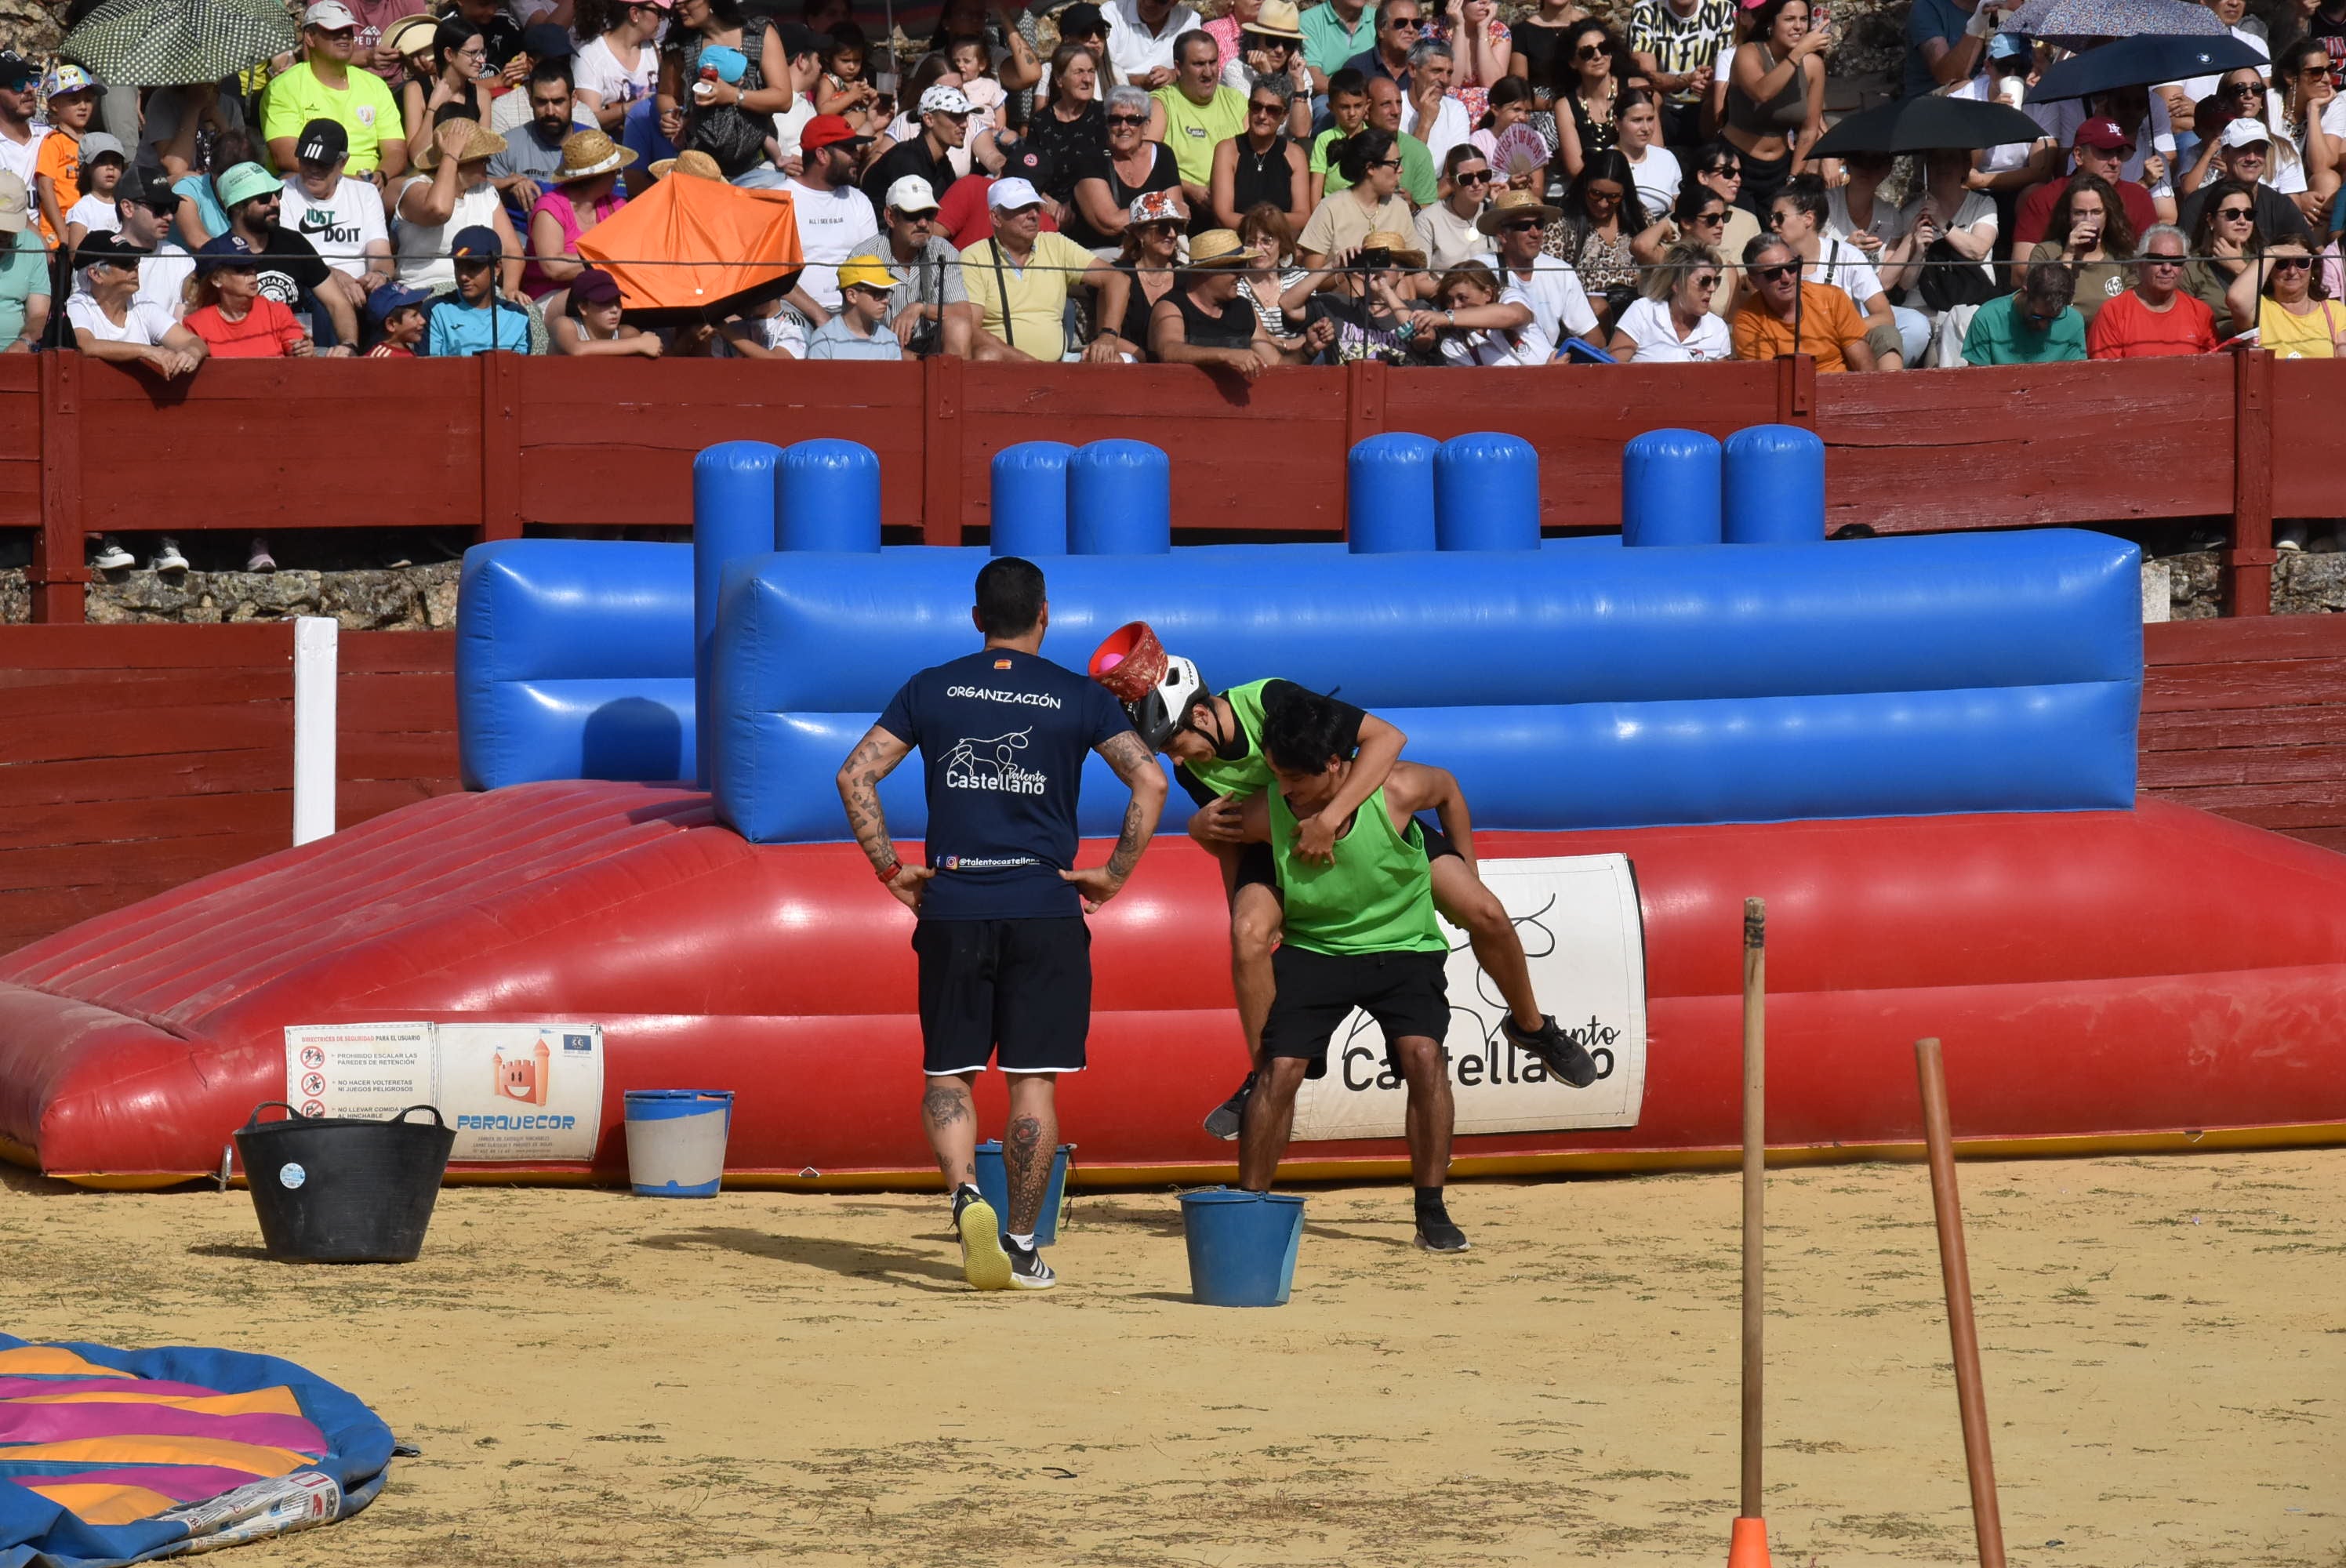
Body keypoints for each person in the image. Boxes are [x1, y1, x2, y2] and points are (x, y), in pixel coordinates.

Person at [1093, 634, 1592, 1146]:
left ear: (1200, 717)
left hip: (1360, 817)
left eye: (1174, 745)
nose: (1177, 762)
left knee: (1486, 913)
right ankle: (1265, 1074)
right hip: (1284, 845)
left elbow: (1388, 739)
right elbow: (1235, 843)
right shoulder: (1196, 768)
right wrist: (1241, 902)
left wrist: (1331, 818)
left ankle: (1531, 1027)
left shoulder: (1270, 700)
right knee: (1245, 934)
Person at [836, 557, 1166, 1292]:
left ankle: (964, 1199)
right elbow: (1150, 778)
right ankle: (1019, 1241)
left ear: (977, 618)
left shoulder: (931, 686)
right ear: (1044, 614)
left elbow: (854, 775)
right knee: (1033, 1085)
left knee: (948, 1073)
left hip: (954, 901)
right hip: (1044, 907)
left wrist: (892, 872)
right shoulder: (1080, 696)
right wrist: (1112, 876)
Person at [1225, 690, 1484, 1251]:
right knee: (1280, 1068)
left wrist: (1466, 866)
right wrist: (1209, 835)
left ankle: (1431, 1209)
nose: (1285, 789)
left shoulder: (1395, 790)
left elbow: (1450, 790)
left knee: (1423, 1056)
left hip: (1403, 946)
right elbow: (1211, 832)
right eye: (1276, 775)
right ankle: (1249, 1206)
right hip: (1316, 948)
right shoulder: (1268, 808)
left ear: (1337, 765)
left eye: (1297, 778)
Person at [962, 176, 1119, 359]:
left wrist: (1108, 336)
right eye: (1022, 208)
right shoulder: (974, 256)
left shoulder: (1055, 244)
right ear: (996, 218)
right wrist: (1025, 362)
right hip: (1006, 365)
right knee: (987, 356)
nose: (1034, 215)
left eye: (1036, 207)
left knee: (1112, 360)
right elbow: (970, 329)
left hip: (1058, 364)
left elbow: (1116, 279)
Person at [215, 161, 361, 351]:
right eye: (265, 198)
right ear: (237, 207)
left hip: (298, 353)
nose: (276, 203)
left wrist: (349, 345)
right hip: (241, 355)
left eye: (278, 195)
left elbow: (337, 302)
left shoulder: (294, 243)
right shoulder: (217, 254)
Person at [1771, 173, 1910, 367]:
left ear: (1808, 219)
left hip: (1843, 342)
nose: (1772, 225)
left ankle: (1886, 395)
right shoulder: (1771, 261)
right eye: (1772, 217)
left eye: (1779, 218)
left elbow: (1885, 316)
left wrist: (1837, 330)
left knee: (1887, 335)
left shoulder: (1847, 255)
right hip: (1792, 344)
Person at [261, 1, 409, 180]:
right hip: (311, 182)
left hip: (370, 184)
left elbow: (395, 150)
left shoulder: (376, 85)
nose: (345, 36)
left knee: (417, 191)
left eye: (349, 30)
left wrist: (381, 175)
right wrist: (345, 182)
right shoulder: (284, 86)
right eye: (334, 30)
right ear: (310, 37)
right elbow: (284, 156)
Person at [657, 0, 794, 180]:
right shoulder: (680, 45)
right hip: (700, 170)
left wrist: (733, 95)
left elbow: (783, 99)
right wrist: (671, 116)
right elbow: (666, 95)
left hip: (758, 166)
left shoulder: (758, 33)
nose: (679, 3)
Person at [1149, 224, 1310, 371]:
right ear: (1206, 271)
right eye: (1234, 267)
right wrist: (1226, 355)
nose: (1241, 274)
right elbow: (1169, 350)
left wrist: (1308, 350)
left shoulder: (1244, 309)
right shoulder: (1171, 306)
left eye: (1242, 266)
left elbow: (1277, 365)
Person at [394, 117, 524, 297]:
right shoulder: (415, 188)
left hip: (481, 290)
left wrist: (510, 289)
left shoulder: (485, 191)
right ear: (460, 163)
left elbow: (511, 248)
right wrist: (451, 155)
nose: (488, 163)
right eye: (482, 159)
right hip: (426, 289)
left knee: (528, 314)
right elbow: (439, 211)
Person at [1720, 0, 1824, 220]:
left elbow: (1808, 131)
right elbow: (1762, 92)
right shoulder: (1748, 53)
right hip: (1736, 163)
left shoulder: (1814, 66)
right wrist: (1797, 54)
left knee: (1778, 241)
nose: (1798, 26)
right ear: (1771, 23)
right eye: (1789, 19)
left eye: (1803, 19)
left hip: (1779, 170)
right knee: (1741, 236)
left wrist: (1793, 179)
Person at [2009, 118, 2163, 258]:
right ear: (2078, 156)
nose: (2115, 162)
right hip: (2061, 284)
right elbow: (2021, 270)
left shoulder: (2138, 197)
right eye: (2105, 151)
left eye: (2119, 152)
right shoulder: (2046, 198)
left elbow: (2152, 262)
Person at [65, 234, 207, 377]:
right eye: (125, 263)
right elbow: (86, 345)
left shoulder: (141, 304)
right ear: (96, 274)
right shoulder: (78, 304)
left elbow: (191, 341)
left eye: (136, 260)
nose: (136, 267)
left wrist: (191, 354)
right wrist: (148, 351)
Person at [1480, 185, 1598, 358]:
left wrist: (1565, 360)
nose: (1535, 233)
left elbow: (1593, 336)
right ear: (1502, 235)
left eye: (1539, 224)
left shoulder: (1560, 271)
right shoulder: (1483, 269)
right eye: (1524, 226)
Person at [1730, 233, 1879, 370]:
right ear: (1753, 281)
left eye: (1791, 267)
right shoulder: (1748, 322)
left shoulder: (1833, 298)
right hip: (1790, 394)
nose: (1786, 278)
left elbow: (1864, 365)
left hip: (1844, 390)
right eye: (1773, 274)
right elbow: (1770, 381)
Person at [281, 119, 394, 297]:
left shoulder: (366, 194)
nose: (313, 170)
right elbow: (290, 258)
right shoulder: (283, 193)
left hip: (361, 289)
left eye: (322, 164)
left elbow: (380, 253)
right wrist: (331, 276)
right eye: (306, 161)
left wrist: (379, 275)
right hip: (309, 287)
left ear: (343, 162)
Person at [783, 114, 881, 318]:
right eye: (849, 149)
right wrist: (818, 314)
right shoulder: (781, 200)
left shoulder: (859, 200)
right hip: (795, 312)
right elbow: (774, 276)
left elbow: (871, 264)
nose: (857, 155)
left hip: (853, 313)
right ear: (822, 155)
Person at [868, 175, 976, 357]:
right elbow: (856, 328)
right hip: (881, 349)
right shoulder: (866, 255)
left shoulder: (943, 250)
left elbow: (964, 314)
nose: (923, 223)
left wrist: (919, 308)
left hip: (933, 347)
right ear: (890, 217)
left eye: (930, 214)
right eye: (913, 215)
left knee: (960, 327)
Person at [1066, 83, 1181, 252]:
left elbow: (1178, 212)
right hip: (1105, 251)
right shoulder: (1089, 160)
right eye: (1115, 120)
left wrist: (1144, 217)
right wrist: (1162, 209)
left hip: (1156, 246)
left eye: (1133, 120)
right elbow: (1110, 223)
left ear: (1146, 126)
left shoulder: (1164, 155)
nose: (1123, 127)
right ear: (1107, 124)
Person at [524, 129, 632, 306]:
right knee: (598, 299)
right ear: (597, 177)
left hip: (607, 292)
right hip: (552, 295)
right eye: (615, 170)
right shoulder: (550, 207)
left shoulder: (617, 205)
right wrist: (607, 260)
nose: (618, 176)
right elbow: (554, 268)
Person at [1144, 29, 1247, 209]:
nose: (1208, 73)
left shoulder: (1236, 100)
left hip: (1236, 200)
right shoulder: (1162, 103)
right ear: (1178, 68)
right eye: (1199, 64)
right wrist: (1190, 189)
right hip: (1186, 204)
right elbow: (1145, 161)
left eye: (1213, 62)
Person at [1286, 227, 1420, 361]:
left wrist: (1385, 292)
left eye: (1386, 261)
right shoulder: (1339, 306)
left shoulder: (1416, 309)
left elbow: (1422, 339)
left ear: (1402, 272)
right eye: (1372, 261)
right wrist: (1332, 267)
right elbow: (1288, 305)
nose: (1378, 267)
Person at [1542, 148, 1639, 332]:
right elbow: (1551, 280)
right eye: (1595, 194)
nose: (1603, 204)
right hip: (1585, 319)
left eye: (1613, 197)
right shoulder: (1561, 224)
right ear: (1585, 185)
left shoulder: (1637, 217)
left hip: (1634, 314)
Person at [2087, 223, 2219, 357]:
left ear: (2184, 268)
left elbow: (2210, 371)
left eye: (2176, 261)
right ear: (2140, 263)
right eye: (2158, 260)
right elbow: (2106, 374)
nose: (2167, 268)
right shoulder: (2113, 313)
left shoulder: (2201, 313)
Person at [2174, 118, 2317, 241]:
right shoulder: (2197, 204)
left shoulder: (2281, 204)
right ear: (2224, 154)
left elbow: (2313, 251)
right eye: (2243, 150)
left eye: (2259, 150)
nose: (2252, 158)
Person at [2024, 172, 2134, 328]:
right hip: (2057, 341)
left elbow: (2132, 314)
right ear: (2068, 216)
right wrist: (2068, 254)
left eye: (2096, 212)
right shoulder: (2046, 252)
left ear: (2108, 216)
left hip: (2106, 344)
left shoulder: (2122, 257)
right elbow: (2042, 310)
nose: (2088, 221)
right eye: (2079, 213)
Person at [1088, 187, 1186, 358]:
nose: (1172, 234)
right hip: (1130, 364)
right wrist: (1143, 358)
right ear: (1140, 233)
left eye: (1176, 227)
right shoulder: (1116, 275)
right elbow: (1106, 337)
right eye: (1163, 227)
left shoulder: (1186, 276)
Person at [1298, 126, 1414, 264]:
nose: (1401, 170)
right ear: (1371, 168)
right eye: (1395, 163)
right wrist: (1342, 272)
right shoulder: (1330, 208)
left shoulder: (1400, 207)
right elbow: (1312, 273)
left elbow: (1413, 267)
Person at [1208, 74, 1309, 233]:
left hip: (1279, 245)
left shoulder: (1295, 155)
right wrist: (1268, 225)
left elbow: (1302, 216)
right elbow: (1224, 215)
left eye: (1272, 110)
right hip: (1237, 243)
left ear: (1285, 116)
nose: (1262, 116)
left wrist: (1262, 228)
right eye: (1256, 106)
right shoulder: (1227, 150)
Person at [183, 236, 314, 357]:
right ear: (216, 279)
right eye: (241, 268)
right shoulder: (197, 325)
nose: (252, 273)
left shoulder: (277, 312)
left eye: (253, 265)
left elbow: (298, 353)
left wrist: (303, 350)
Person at [1628, 0, 1734, 149]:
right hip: (1664, 105)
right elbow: (1646, 76)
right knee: (1647, 92)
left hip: (1707, 104)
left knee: (1719, 92)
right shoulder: (1646, 11)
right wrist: (1687, 79)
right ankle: (1657, 160)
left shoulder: (1723, 9)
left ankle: (1715, 155)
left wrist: (1709, 84)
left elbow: (1727, 69)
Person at [488, 60, 582, 216]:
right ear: (531, 99)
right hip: (521, 234)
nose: (550, 111)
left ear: (573, 99)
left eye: (558, 101)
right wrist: (506, 187)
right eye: (542, 102)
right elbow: (480, 197)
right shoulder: (505, 146)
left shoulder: (597, 145)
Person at [1609, 238, 1731, 359]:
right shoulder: (1643, 312)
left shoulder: (1717, 328)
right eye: (1705, 281)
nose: (1712, 288)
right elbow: (1611, 371)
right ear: (1676, 284)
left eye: (1716, 281)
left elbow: (1722, 378)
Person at [400, 16, 498, 164]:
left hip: (467, 175)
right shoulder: (416, 90)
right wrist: (434, 107)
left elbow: (481, 155)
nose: (482, 61)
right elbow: (416, 156)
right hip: (426, 178)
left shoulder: (481, 96)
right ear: (449, 54)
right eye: (473, 53)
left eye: (482, 52)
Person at [424, 223, 534, 353]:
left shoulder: (518, 317)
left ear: (497, 268)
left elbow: (520, 371)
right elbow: (428, 370)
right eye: (459, 265)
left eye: (473, 266)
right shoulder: (435, 311)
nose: (464, 276)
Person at [862, 83, 972, 212]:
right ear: (929, 119)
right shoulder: (905, 159)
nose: (965, 124)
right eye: (956, 116)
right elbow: (911, 221)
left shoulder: (944, 166)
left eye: (965, 116)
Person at [2226, 236, 2346, 354]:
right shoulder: (2257, 309)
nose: (2292, 272)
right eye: (2282, 263)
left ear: (2312, 270)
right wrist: (2271, 253)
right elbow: (2237, 300)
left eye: (2302, 263)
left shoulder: (2335, 311)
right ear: (2270, 270)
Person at [573, 0, 672, 134]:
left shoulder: (657, 52)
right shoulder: (590, 57)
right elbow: (587, 120)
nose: (662, 19)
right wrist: (628, 109)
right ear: (635, 14)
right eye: (658, 12)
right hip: (612, 149)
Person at [1030, 43, 1107, 211]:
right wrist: (1049, 205)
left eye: (1091, 71)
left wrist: (1073, 207)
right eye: (1079, 72)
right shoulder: (1041, 122)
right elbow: (1030, 174)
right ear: (1059, 80)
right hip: (1050, 211)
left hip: (1095, 207)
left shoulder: (1105, 116)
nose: (1087, 79)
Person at [1960, 263, 2086, 364]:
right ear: (2025, 292)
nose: (2044, 325)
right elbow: (1978, 384)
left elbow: (2073, 380)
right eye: (2037, 316)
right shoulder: (1987, 318)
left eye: (2053, 319)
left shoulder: (2073, 322)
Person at [31, 64, 99, 246]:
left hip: (89, 227)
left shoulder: (94, 143)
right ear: (54, 105)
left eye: (88, 99)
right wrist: (62, 233)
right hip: (58, 232)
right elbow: (45, 188)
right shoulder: (54, 142)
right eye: (74, 100)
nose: (83, 106)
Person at [2184, 177, 2264, 323]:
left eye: (2249, 214)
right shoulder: (2191, 267)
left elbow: (2277, 310)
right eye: (2232, 214)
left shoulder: (2265, 260)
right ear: (2211, 220)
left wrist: (2240, 269)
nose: (2242, 221)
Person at [1359, 76, 1440, 205]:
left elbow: (1429, 211)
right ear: (1367, 109)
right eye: (1386, 104)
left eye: (1399, 103)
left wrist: (1412, 206)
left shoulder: (1418, 152)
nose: (1396, 111)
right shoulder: (1352, 146)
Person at [804, 253, 904, 357]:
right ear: (851, 295)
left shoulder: (890, 340)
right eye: (877, 294)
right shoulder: (824, 339)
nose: (886, 300)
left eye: (886, 293)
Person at [547, 263, 660, 354]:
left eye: (617, 301)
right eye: (604, 302)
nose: (615, 310)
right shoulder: (564, 324)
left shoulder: (625, 332)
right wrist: (639, 344)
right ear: (583, 308)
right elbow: (577, 349)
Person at [1417, 143, 1494, 269]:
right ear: (1451, 183)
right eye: (1466, 179)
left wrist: (1503, 203)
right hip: (1445, 287)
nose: (1476, 183)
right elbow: (1419, 280)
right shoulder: (1428, 220)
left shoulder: (1496, 212)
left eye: (1483, 176)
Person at [1906, 0, 1999, 100]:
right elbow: (1946, 77)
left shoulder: (2000, 8)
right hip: (1930, 99)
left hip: (1977, 90)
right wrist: (1975, 28)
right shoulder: (1927, 6)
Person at [1307, 68, 1374, 205]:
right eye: (1344, 107)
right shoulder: (1324, 139)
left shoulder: (1373, 139)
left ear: (1367, 105)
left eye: (1358, 106)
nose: (1352, 113)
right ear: (1330, 107)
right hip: (1333, 213)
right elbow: (1316, 187)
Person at [0, 171, 49, 353]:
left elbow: (39, 314)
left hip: (16, 359)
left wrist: (25, 341)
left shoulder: (31, 244)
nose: (4, 235)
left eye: (8, 228)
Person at [1400, 40, 1471, 166]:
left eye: (1449, 73)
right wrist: (1425, 124)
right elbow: (1405, 170)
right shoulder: (1393, 108)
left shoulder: (1456, 110)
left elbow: (1455, 170)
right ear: (1412, 70)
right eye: (1436, 71)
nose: (1445, 80)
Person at [1105, 0, 1205, 88]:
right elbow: (1101, 74)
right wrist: (1140, 83)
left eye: (1160, 1)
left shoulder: (1188, 20)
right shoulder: (1112, 14)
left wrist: (1175, 75)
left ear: (1174, 2)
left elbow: (1199, 67)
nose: (1148, 3)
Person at [1614, 90, 1679, 222]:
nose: (1646, 128)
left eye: (1650, 119)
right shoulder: (1606, 161)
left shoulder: (1666, 159)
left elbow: (1676, 207)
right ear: (1617, 123)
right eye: (1637, 120)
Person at [61, 132, 126, 252]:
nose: (110, 167)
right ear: (87, 168)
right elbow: (75, 255)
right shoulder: (82, 209)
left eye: (116, 162)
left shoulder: (127, 206)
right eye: (102, 162)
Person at [365, 281, 430, 354]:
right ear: (391, 324)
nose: (423, 321)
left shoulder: (405, 352)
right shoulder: (380, 361)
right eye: (414, 315)